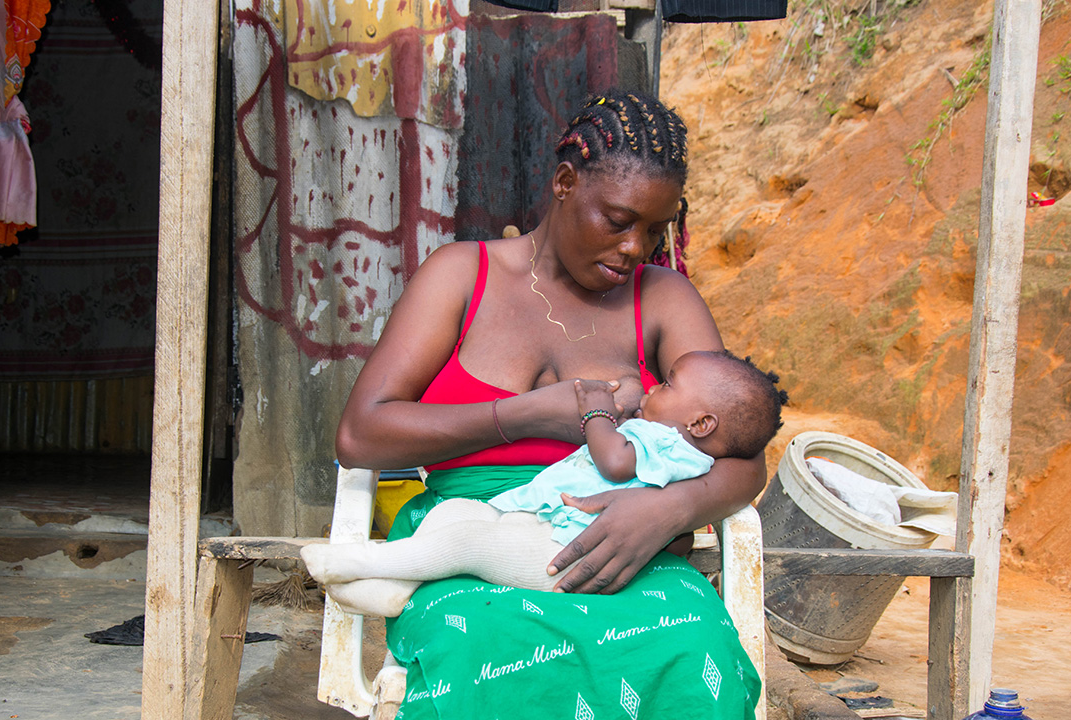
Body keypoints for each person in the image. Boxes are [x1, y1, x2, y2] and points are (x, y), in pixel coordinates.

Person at [333, 89, 765, 719]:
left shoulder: (665, 299)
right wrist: (524, 416)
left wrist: (668, 509)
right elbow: (360, 434)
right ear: (565, 183)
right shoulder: (462, 275)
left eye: (655, 229)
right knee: (484, 647)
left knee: (693, 646)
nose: (635, 248)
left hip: (621, 548)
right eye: (618, 221)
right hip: (472, 541)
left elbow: (743, 456)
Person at [303, 349, 787, 618]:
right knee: (457, 515)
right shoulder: (671, 439)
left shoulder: (673, 449)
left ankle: (362, 560)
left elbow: (616, 464)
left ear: (702, 424)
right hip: (535, 515)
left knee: (469, 542)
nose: (655, 387)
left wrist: (596, 410)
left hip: (564, 548)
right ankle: (397, 590)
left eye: (669, 384)